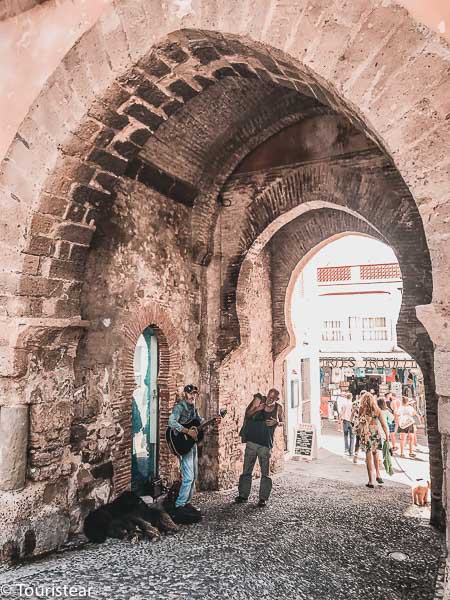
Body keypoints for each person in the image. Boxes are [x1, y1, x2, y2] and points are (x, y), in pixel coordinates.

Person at [168, 384, 220, 517]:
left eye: (194, 394)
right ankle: (179, 504)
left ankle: (187, 502)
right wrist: (187, 431)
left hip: (191, 445)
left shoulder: (193, 409)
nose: (192, 396)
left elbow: (200, 423)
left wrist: (213, 422)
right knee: (188, 476)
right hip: (182, 443)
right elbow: (171, 422)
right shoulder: (180, 407)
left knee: (194, 475)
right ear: (185, 394)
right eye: (190, 393)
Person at [236, 388, 283, 507]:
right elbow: (247, 414)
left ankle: (263, 498)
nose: (269, 399)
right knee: (246, 471)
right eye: (269, 396)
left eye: (273, 398)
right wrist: (258, 409)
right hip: (252, 442)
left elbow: (283, 422)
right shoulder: (259, 403)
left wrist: (276, 423)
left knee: (265, 473)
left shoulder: (278, 408)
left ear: (277, 399)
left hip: (266, 445)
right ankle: (243, 495)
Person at [356, 392, 389, 488]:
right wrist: (387, 436)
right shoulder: (377, 410)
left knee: (368, 457)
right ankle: (378, 474)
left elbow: (359, 422)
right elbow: (383, 424)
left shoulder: (362, 409)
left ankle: (371, 480)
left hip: (366, 433)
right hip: (375, 432)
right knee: (375, 454)